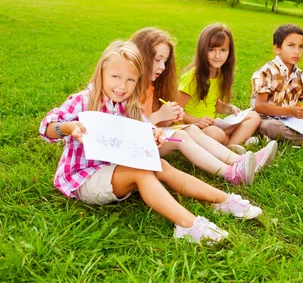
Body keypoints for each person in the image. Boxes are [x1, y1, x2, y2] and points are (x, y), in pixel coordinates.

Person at [40, 40, 263, 243]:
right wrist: (67, 127)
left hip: (115, 168)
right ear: (101, 73)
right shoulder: (83, 100)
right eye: (115, 77)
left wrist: (155, 134)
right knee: (143, 172)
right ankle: (188, 225)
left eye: (130, 80)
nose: (122, 86)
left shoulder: (127, 104)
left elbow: (145, 128)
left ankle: (224, 201)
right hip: (84, 177)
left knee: (162, 164)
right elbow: (47, 128)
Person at [130, 28, 277, 185]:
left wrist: (168, 118)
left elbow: (155, 126)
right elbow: (132, 129)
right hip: (136, 146)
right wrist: (160, 116)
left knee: (189, 130)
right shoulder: (128, 88)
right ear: (141, 56)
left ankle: (239, 161)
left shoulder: (150, 88)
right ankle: (232, 173)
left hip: (154, 139)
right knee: (185, 134)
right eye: (157, 60)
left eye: (165, 62)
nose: (163, 67)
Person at [177, 23, 262, 153]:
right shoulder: (192, 77)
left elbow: (213, 103)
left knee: (254, 116)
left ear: (229, 52)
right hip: (192, 127)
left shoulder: (219, 75)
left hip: (211, 124)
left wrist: (230, 108)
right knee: (218, 135)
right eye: (211, 50)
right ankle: (234, 142)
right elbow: (177, 111)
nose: (218, 56)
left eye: (223, 50)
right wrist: (197, 121)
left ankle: (230, 146)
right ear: (202, 50)